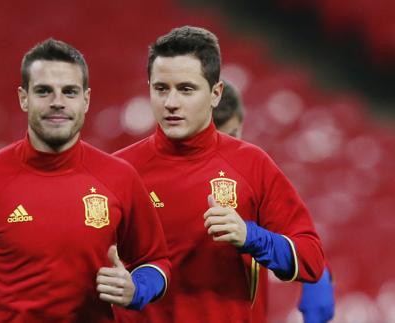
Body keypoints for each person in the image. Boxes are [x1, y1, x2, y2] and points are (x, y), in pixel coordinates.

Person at [0, 39, 171, 323]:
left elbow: (155, 260)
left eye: (69, 92)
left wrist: (137, 289)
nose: (57, 102)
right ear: (23, 97)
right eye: (44, 91)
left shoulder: (120, 177)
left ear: (86, 99)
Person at [114, 26, 325, 323]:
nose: (171, 102)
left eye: (186, 89)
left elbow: (311, 259)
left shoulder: (251, 164)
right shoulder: (116, 173)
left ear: (215, 94)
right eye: (161, 88)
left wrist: (252, 236)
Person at [214, 81, 335, 323]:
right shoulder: (154, 186)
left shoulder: (254, 182)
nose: (228, 147)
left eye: (234, 135)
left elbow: (305, 249)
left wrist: (318, 277)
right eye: (216, 138)